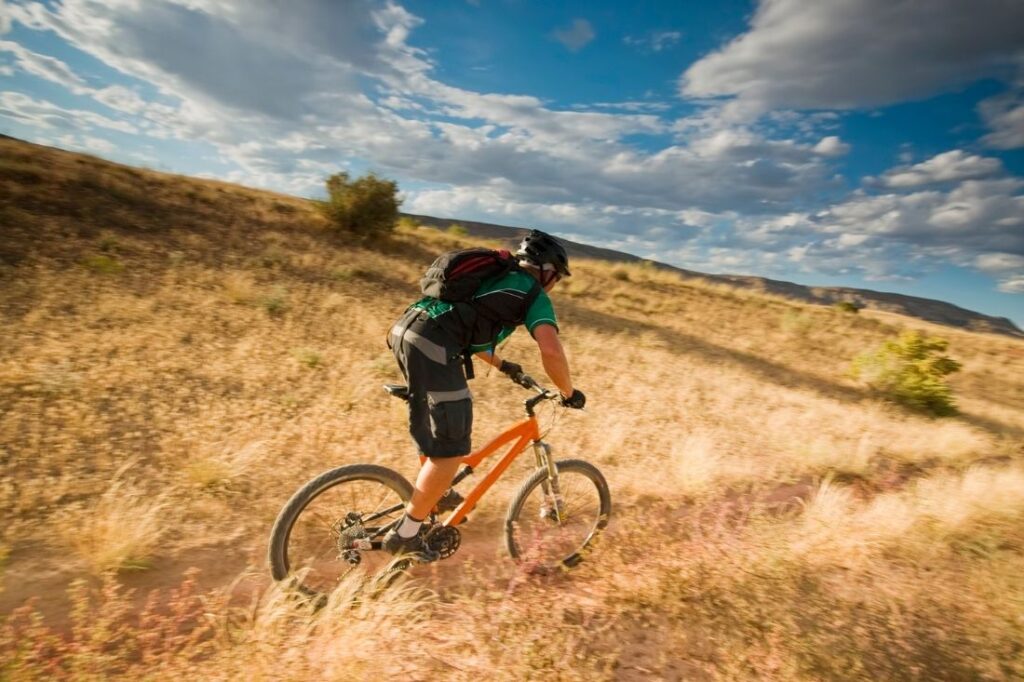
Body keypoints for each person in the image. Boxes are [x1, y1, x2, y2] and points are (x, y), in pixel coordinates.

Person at [384, 229, 586, 561]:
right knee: (452, 449)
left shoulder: (495, 275)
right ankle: (407, 534)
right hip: (432, 346)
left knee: (444, 422)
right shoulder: (533, 294)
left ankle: (436, 492)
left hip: (405, 330)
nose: (555, 285)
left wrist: (507, 367)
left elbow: (469, 336)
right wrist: (568, 391)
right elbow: (551, 351)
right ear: (547, 272)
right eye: (557, 278)